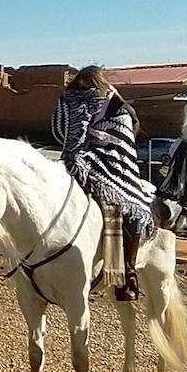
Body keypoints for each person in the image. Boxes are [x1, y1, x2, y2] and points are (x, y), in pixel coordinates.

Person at [51, 65, 154, 301]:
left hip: (109, 161)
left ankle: (127, 272)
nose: (84, 88)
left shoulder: (112, 102)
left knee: (129, 202)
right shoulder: (83, 99)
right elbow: (66, 129)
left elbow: (125, 131)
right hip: (80, 158)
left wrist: (104, 143)